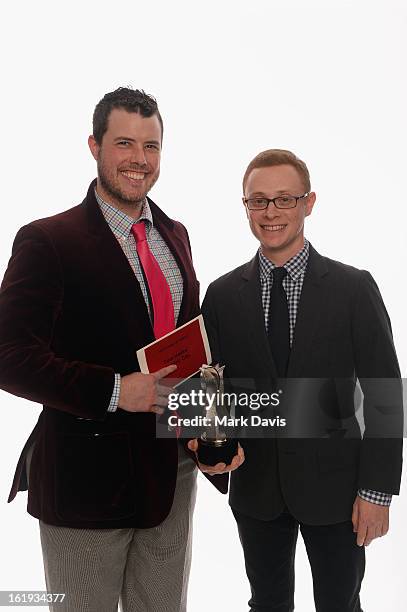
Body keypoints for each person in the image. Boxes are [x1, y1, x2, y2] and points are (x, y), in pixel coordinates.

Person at [0, 87, 231, 612]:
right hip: (86, 480)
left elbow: (187, 352)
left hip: (171, 471)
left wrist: (208, 431)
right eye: (125, 143)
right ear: (94, 146)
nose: (139, 160)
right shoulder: (47, 240)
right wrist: (114, 390)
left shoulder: (176, 234)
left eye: (151, 146)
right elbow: (8, 353)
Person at [197, 149, 403, 611]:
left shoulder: (354, 288)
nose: (271, 213)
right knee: (266, 604)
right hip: (257, 490)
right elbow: (211, 390)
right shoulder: (222, 294)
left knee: (340, 604)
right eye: (259, 201)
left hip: (337, 492)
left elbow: (385, 395)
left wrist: (377, 492)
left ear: (309, 203)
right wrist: (204, 447)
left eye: (284, 200)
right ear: (245, 207)